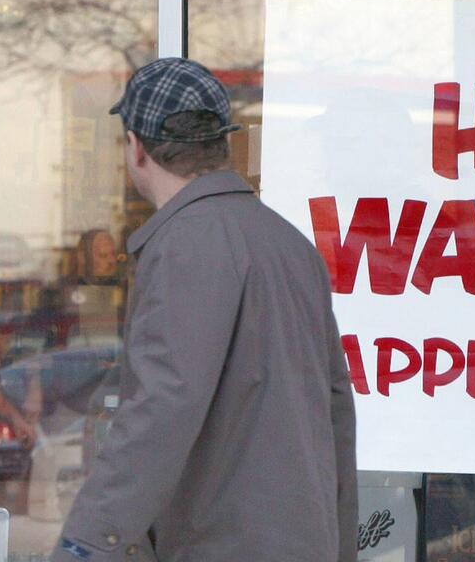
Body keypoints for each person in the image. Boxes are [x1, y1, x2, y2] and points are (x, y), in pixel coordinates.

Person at [52, 58, 357, 562]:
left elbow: (163, 405)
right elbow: (335, 413)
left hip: (225, 545)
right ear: (221, 142)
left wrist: (87, 544)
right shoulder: (290, 245)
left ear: (136, 147)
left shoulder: (187, 242)